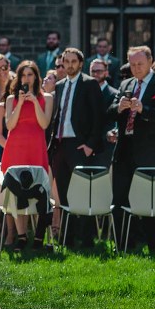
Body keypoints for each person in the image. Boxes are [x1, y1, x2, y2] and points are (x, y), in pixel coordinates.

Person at [108, 45, 155, 251]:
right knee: (120, 200)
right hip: (124, 150)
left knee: (149, 201)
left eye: (140, 64)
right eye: (133, 64)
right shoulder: (125, 84)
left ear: (149, 61)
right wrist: (118, 108)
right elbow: (110, 112)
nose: (136, 68)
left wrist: (143, 109)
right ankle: (123, 246)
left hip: (149, 153)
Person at [49, 48, 104, 247]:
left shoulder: (89, 84)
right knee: (63, 194)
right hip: (60, 144)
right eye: (66, 61)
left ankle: (87, 239)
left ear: (80, 63)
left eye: (74, 61)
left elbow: (98, 117)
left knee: (82, 192)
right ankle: (67, 238)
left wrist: (90, 145)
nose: (69, 65)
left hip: (79, 145)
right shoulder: (60, 85)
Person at [0, 61, 53, 250]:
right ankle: (21, 235)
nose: (26, 78)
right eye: (23, 75)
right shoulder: (10, 100)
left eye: (30, 75)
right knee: (17, 192)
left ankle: (38, 235)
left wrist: (34, 103)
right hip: (16, 148)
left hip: (35, 148)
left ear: (36, 77)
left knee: (39, 189)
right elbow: (10, 125)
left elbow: (44, 123)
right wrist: (20, 103)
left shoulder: (46, 97)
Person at [90, 58, 119, 168]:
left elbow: (112, 121)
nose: (96, 74)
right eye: (93, 71)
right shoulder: (83, 92)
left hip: (104, 147)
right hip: (85, 148)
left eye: (99, 71)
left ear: (106, 73)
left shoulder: (114, 94)